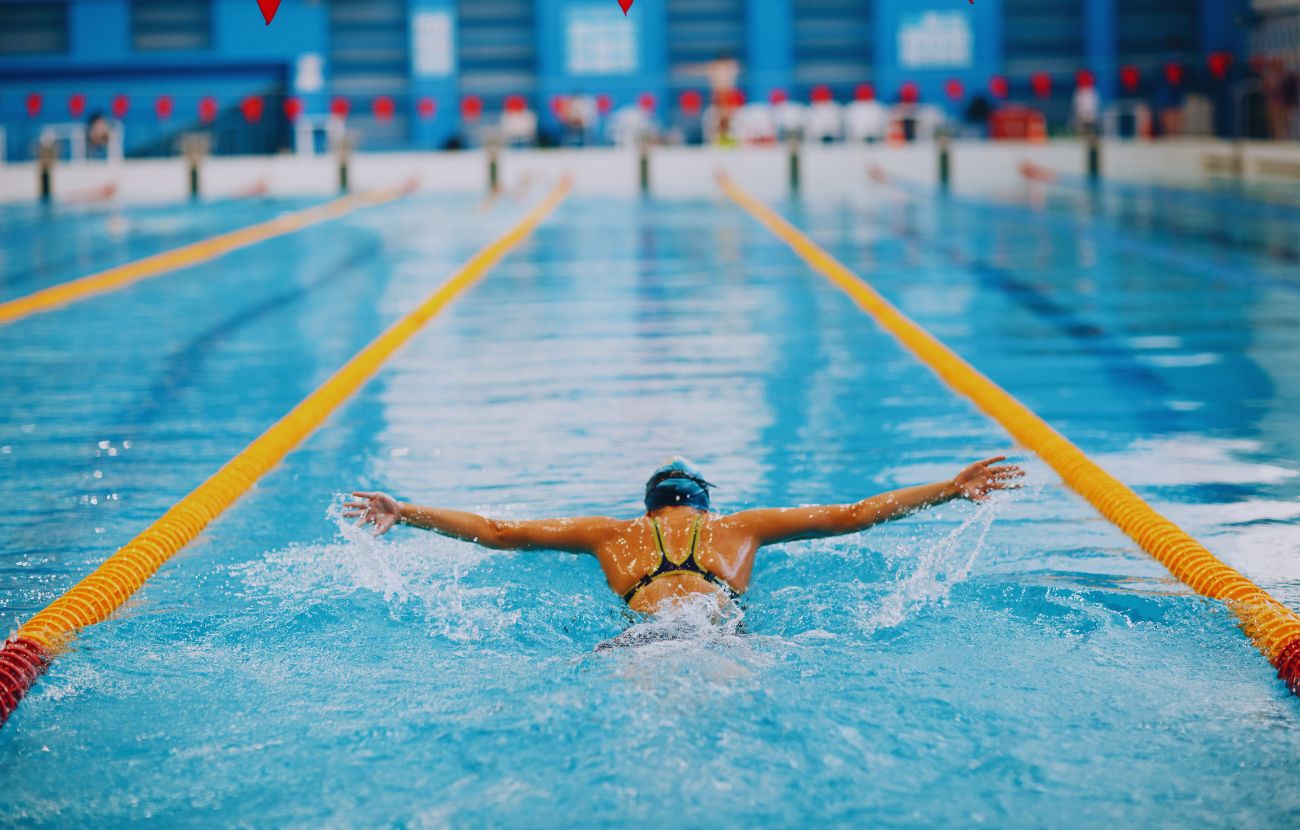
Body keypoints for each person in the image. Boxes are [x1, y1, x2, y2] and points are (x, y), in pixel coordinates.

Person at [344, 455, 1024, 627]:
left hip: (641, 634)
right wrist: (948, 487)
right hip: (717, 626)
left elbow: (498, 532)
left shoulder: (612, 534)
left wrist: (405, 512)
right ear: (704, 504)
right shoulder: (738, 528)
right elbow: (854, 513)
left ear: (648, 507)